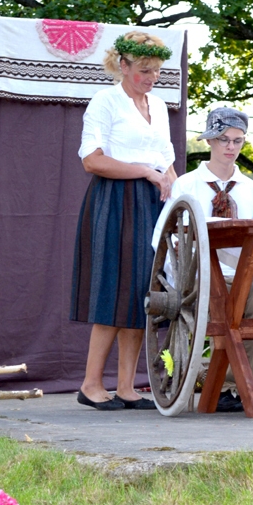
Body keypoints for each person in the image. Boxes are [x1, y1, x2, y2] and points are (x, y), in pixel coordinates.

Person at [71, 31, 177, 411]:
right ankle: (91, 384)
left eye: (156, 71)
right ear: (123, 65)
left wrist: (176, 192)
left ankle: (128, 386)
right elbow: (91, 159)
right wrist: (143, 172)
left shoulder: (159, 105)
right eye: (143, 70)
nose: (150, 78)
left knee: (141, 294)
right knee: (113, 291)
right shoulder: (105, 101)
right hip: (115, 201)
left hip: (153, 203)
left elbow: (165, 157)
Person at [154, 108, 253, 413]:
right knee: (223, 302)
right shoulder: (187, 186)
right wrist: (180, 279)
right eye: (224, 139)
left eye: (237, 141)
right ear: (210, 140)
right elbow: (163, 238)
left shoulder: (251, 190)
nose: (231, 147)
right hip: (197, 276)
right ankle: (222, 388)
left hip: (242, 273)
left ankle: (248, 387)